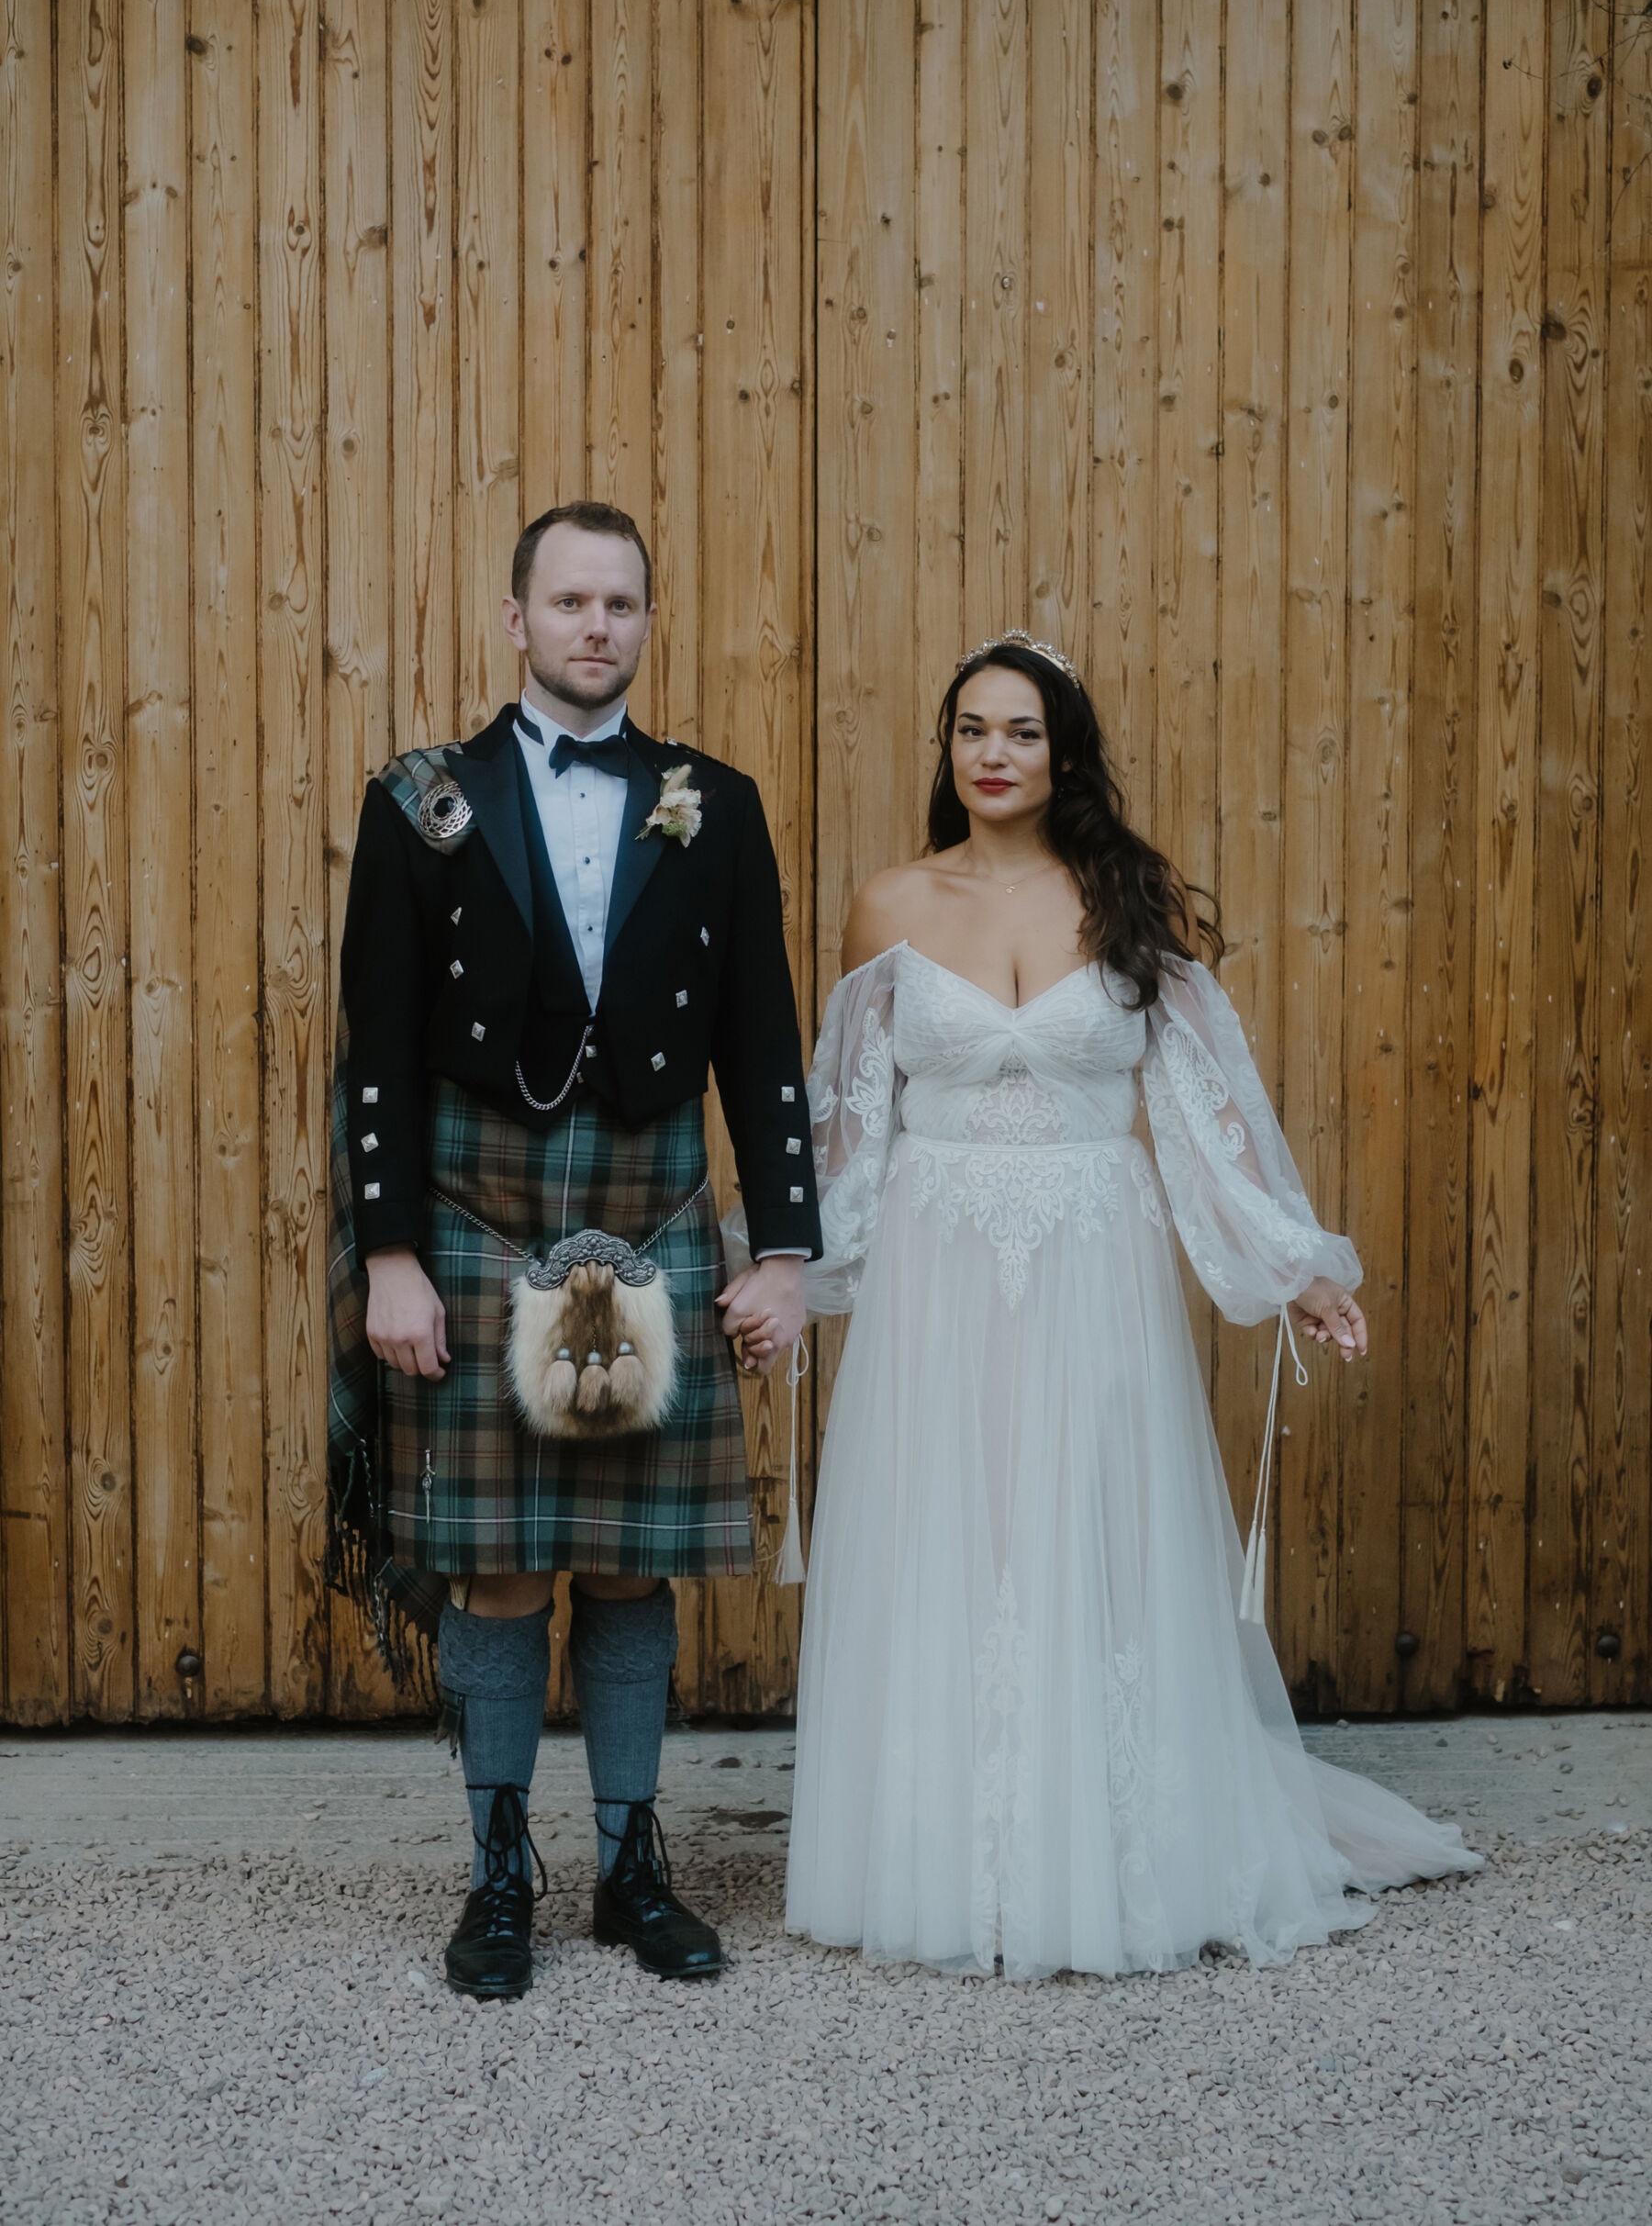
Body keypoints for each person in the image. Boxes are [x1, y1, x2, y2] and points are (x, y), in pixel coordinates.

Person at [744, 632, 1479, 1980]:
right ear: (948, 748)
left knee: (1090, 1519)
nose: (994, 754)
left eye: (1022, 731)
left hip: (1096, 1253)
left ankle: (1114, 1843)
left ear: (1064, 750)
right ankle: (948, 1847)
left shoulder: (1124, 901)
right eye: (972, 729)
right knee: (953, 1526)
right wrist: (788, 1269)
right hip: (938, 1260)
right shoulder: (890, 904)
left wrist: (1294, 1267)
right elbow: (843, 1124)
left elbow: (1209, 1114)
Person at [327, 500, 815, 1999]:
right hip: (475, 1211)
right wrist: (388, 1254)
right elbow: (378, 1053)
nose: (595, 627)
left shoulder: (714, 805)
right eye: (569, 600)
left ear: (646, 624)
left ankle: (627, 1867)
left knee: (624, 1568)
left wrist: (785, 1247)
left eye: (622, 604)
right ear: (514, 619)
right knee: (496, 1568)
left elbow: (764, 1043)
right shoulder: (423, 800)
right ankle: (497, 1878)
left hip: (655, 1210)